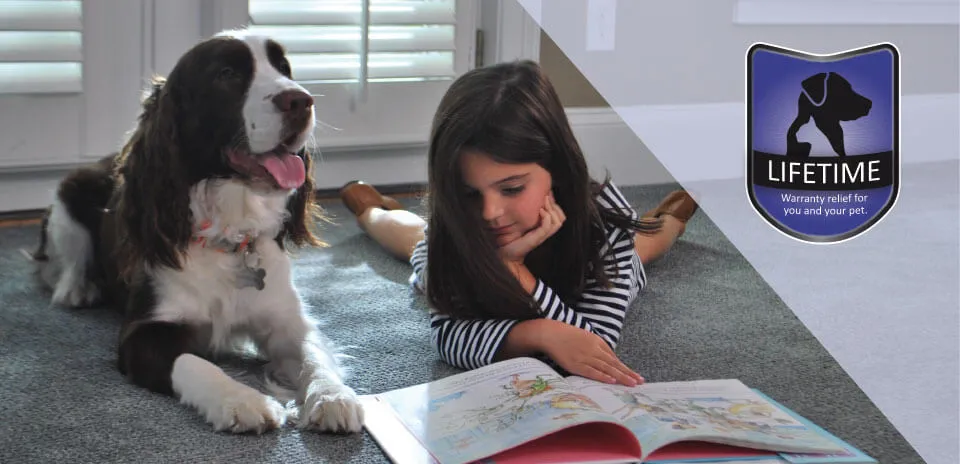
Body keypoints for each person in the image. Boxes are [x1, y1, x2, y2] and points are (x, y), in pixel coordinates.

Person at [339, 60, 698, 387]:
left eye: (511, 188)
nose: (489, 212)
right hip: (451, 246)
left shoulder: (601, 221)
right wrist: (539, 333)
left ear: (556, 169)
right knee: (417, 245)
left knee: (642, 244)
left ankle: (669, 219)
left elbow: (594, 342)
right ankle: (372, 211)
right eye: (470, 192)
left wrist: (517, 273)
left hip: (596, 241)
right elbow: (449, 338)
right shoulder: (461, 217)